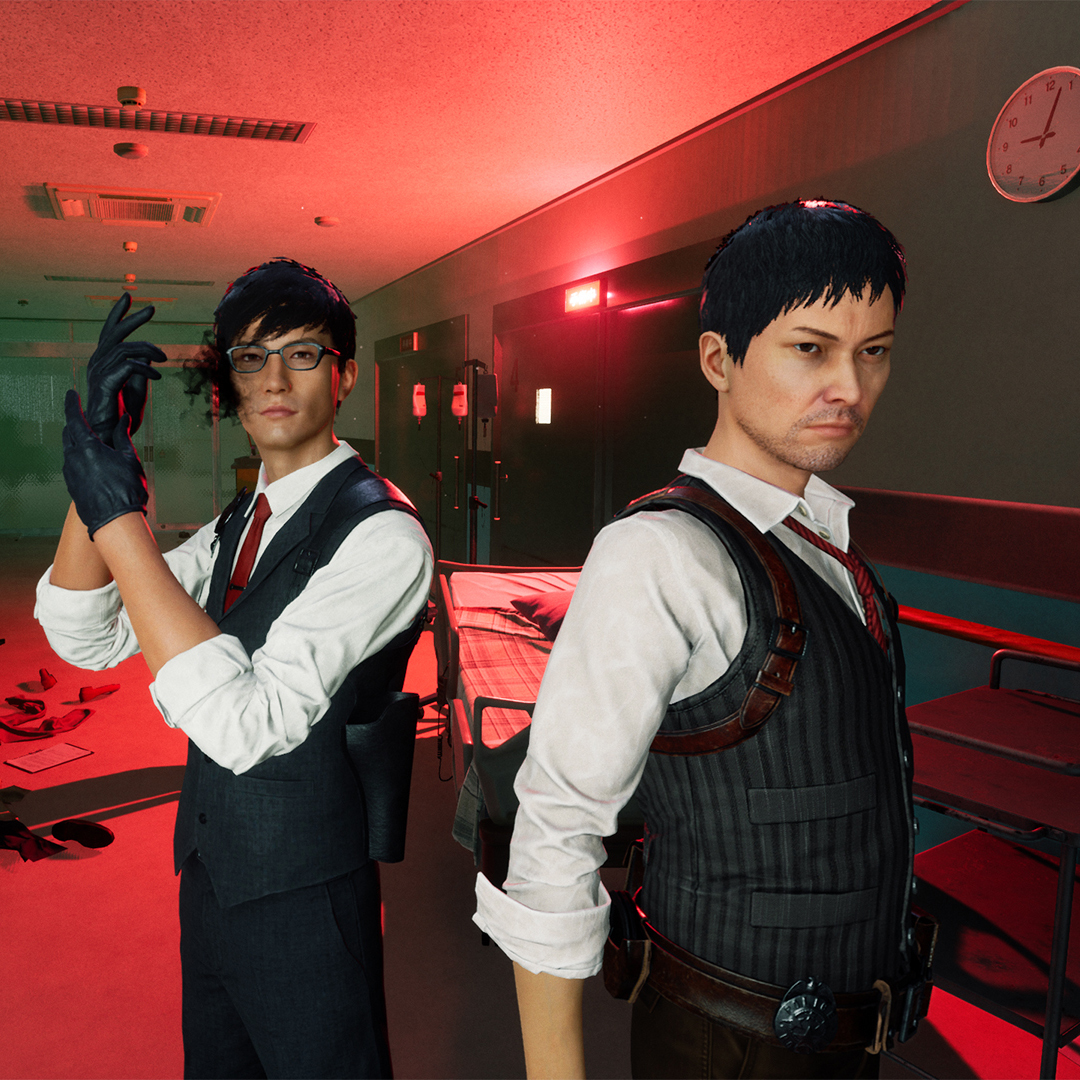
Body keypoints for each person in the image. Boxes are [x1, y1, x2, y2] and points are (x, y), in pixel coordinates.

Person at [474, 201, 926, 1079]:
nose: (849, 386)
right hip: (727, 1047)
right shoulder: (660, 553)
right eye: (811, 348)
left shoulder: (821, 540)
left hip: (838, 1041)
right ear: (719, 359)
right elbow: (557, 830)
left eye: (873, 351)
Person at [35, 259, 433, 1079]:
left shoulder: (383, 535)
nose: (274, 379)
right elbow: (88, 636)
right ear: (230, 382)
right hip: (212, 877)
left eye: (303, 353)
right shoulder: (237, 523)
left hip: (306, 895)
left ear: (345, 375)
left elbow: (247, 726)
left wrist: (121, 519)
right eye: (251, 357)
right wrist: (97, 469)